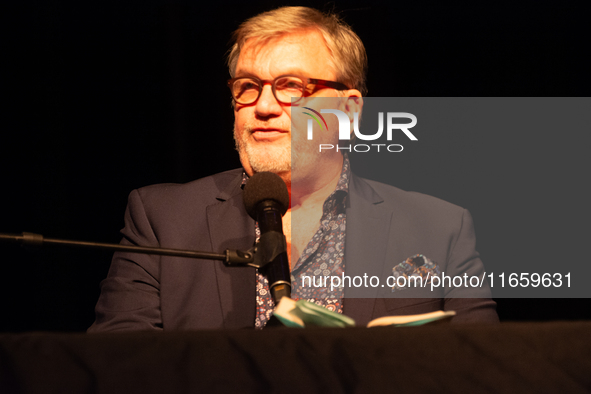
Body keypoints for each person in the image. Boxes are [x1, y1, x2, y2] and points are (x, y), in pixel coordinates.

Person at [89, 6, 498, 332]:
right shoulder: (161, 217)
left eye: (290, 87)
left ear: (348, 109)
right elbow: (118, 365)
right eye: (247, 87)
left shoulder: (439, 228)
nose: (263, 107)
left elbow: (481, 369)